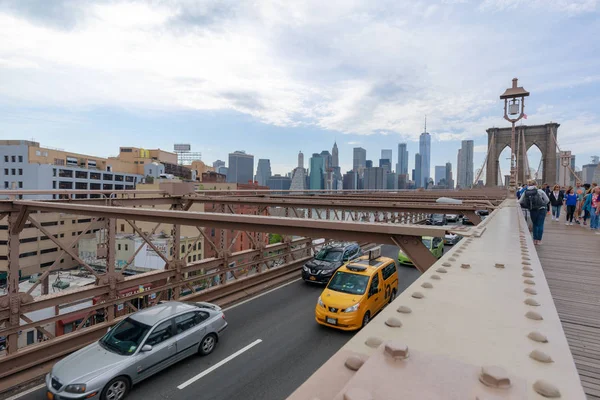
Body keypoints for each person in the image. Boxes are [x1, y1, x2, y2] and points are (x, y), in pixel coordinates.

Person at [519, 179, 550, 245]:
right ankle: (539, 240)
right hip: (542, 209)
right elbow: (547, 200)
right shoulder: (540, 191)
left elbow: (520, 201)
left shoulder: (526, 192)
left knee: (535, 224)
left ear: (528, 185)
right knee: (540, 224)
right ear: (536, 184)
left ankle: (534, 240)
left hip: (533, 210)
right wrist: (542, 204)